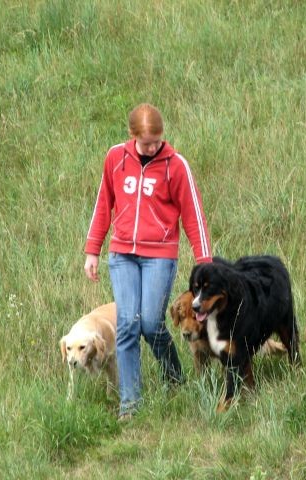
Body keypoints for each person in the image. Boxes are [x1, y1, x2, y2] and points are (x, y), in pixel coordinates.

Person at [84, 103, 212, 420]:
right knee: (127, 325)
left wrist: (205, 262)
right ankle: (130, 405)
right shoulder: (116, 158)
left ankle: (174, 378)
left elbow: (193, 214)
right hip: (122, 254)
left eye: (157, 141)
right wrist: (92, 250)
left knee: (152, 324)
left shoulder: (175, 165)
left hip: (160, 255)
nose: (153, 147)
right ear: (132, 136)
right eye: (146, 143)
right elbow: (103, 203)